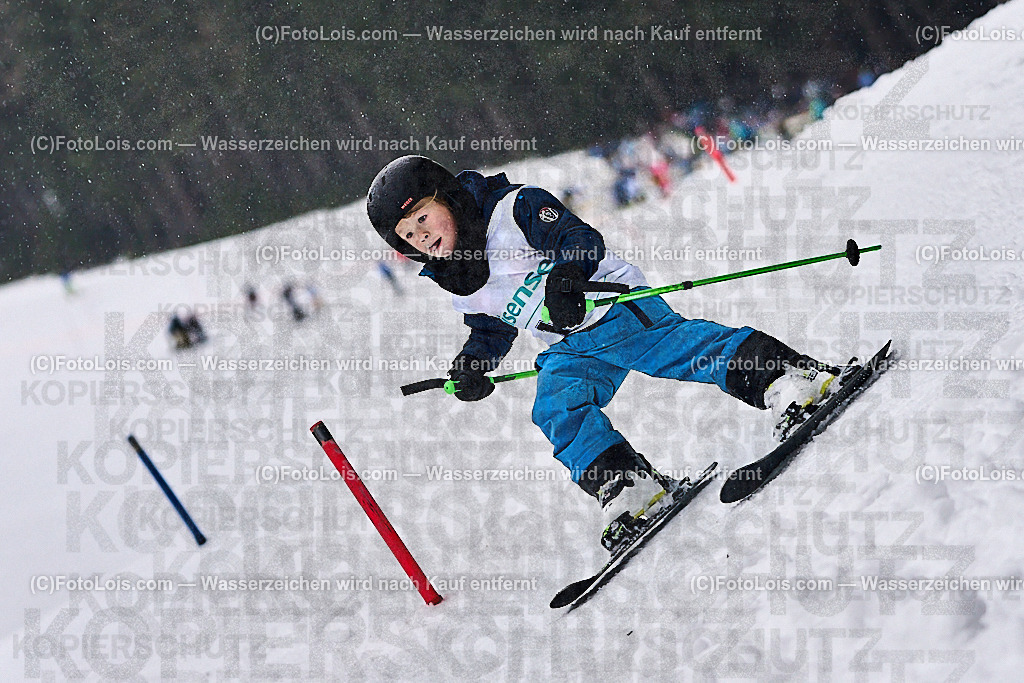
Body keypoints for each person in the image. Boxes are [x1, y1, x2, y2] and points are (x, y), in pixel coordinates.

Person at [366, 155, 852, 551]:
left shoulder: (514, 209)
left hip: (612, 310)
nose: (422, 237)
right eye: (408, 235)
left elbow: (579, 240)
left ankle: (790, 379)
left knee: (689, 352)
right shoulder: (458, 280)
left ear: (448, 198)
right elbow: (491, 328)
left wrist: (567, 275)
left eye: (423, 218)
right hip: (567, 347)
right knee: (556, 407)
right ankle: (629, 484)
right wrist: (473, 365)